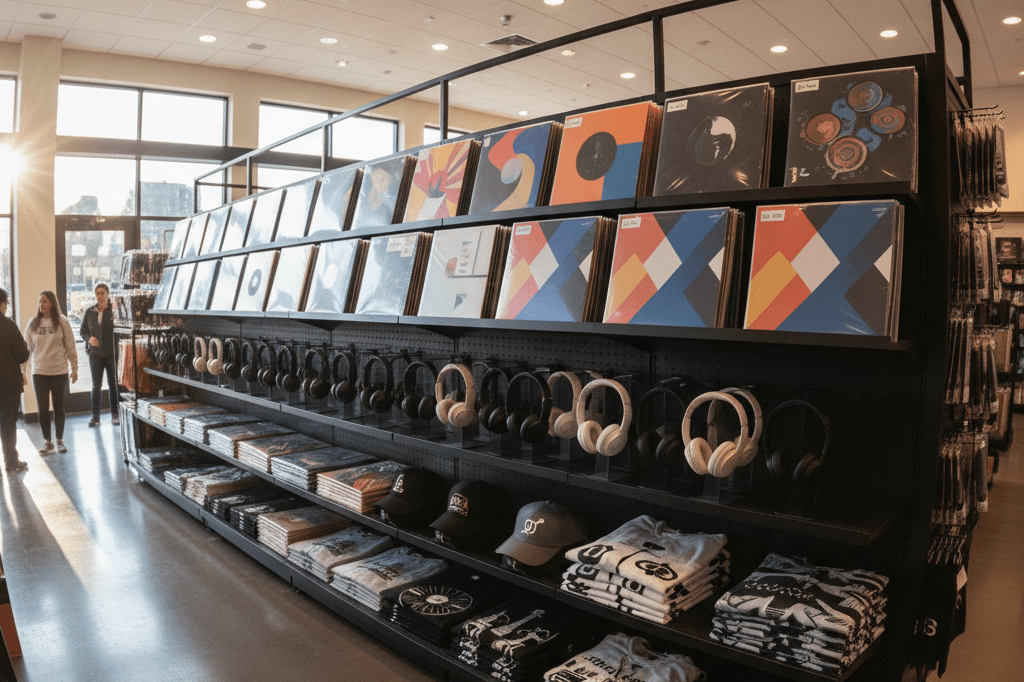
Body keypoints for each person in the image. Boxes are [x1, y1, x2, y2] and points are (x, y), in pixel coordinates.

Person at [23, 290, 78, 455]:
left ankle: (59, 440)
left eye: (45, 301)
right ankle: (47, 442)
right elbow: (27, 349)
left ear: (52, 303)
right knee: (42, 409)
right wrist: (22, 371)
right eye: (40, 302)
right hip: (39, 372)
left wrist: (74, 368)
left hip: (59, 372)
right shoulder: (33, 323)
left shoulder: (62, 322)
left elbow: (71, 346)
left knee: (59, 407)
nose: (42, 305)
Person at [80, 282, 119, 427]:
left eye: (103, 293)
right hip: (95, 354)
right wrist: (89, 339)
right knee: (96, 385)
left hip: (111, 353)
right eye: (98, 293)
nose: (100, 296)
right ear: (95, 295)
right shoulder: (90, 311)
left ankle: (115, 414)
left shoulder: (114, 310)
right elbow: (83, 331)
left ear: (108, 294)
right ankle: (95, 416)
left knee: (113, 384)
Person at [0, 288, 30, 472]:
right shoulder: (9, 325)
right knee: (9, 422)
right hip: (9, 382)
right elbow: (23, 354)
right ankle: (11, 461)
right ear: (2, 304)